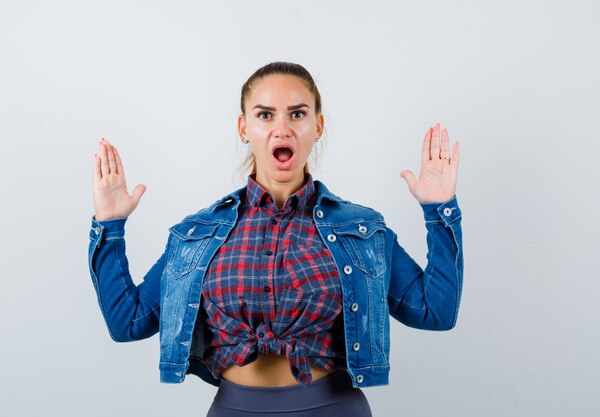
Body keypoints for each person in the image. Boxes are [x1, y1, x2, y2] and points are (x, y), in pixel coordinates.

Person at [88, 61, 463, 417]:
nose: (281, 129)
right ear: (243, 127)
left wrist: (439, 210)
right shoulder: (197, 235)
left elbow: (436, 313)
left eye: (297, 114)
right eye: (265, 115)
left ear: (317, 126)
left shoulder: (361, 230)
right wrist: (110, 225)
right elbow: (128, 322)